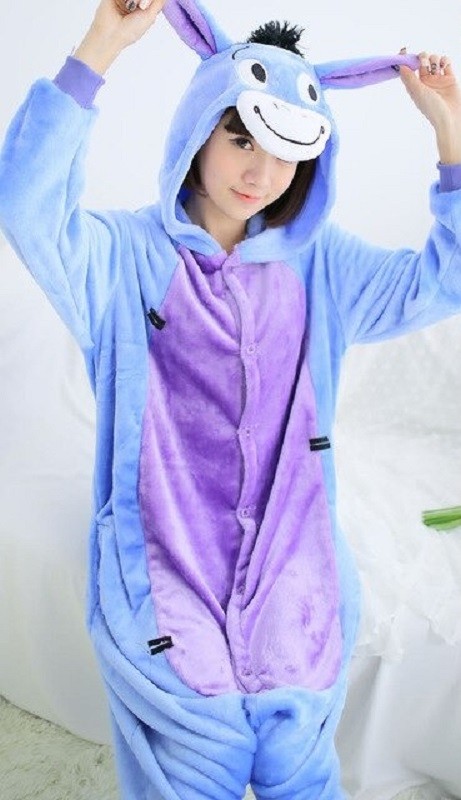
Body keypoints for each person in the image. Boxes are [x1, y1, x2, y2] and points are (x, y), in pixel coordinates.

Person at [1, 0, 461, 797]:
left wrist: (447, 130)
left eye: (284, 154)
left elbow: (442, 280)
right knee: (193, 747)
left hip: (291, 558)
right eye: (241, 139)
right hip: (166, 554)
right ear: (198, 128)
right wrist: (101, 46)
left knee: (295, 748)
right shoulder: (123, 256)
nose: (259, 174)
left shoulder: (322, 264)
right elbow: (29, 206)